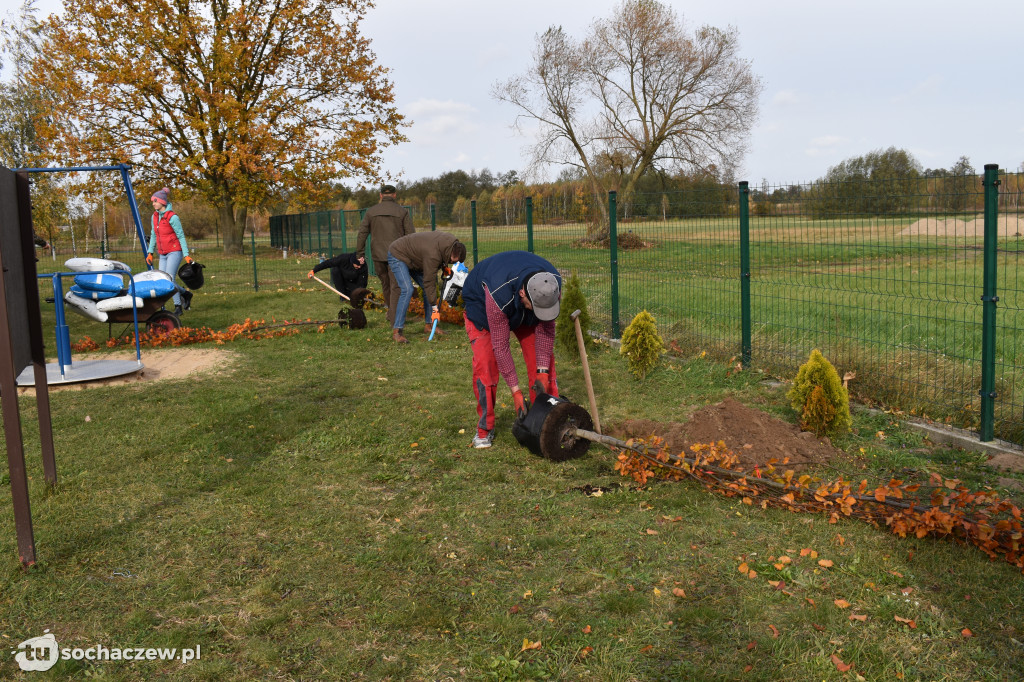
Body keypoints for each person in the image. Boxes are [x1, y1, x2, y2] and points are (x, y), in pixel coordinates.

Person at [460, 250, 562, 448]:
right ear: (523, 293)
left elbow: (546, 329)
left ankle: (546, 422)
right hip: (483, 308)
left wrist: (542, 371)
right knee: (486, 366)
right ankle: (484, 429)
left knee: (545, 368)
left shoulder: (551, 283)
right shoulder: (499, 293)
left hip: (521, 308)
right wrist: (515, 391)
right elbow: (501, 347)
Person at [386, 231, 466, 343]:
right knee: (407, 289)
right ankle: (397, 331)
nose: (452, 262)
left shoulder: (451, 244)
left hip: (414, 259)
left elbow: (443, 257)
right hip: (398, 254)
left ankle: (429, 326)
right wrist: (434, 307)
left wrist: (444, 266)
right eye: (452, 260)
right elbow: (429, 281)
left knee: (428, 289)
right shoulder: (433, 254)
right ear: (452, 252)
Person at [355, 183, 414, 328]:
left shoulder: (371, 212)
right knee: (396, 286)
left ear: (381, 195)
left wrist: (360, 254)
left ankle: (390, 312)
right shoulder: (402, 212)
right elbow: (411, 236)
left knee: (386, 284)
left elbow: (362, 233)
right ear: (394, 195)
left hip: (378, 254)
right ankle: (395, 318)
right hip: (398, 255)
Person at [145, 187, 194, 315]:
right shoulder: (154, 217)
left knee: (169, 279)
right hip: (162, 253)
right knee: (163, 280)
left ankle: (178, 307)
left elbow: (181, 236)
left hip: (174, 251)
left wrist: (186, 255)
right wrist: (150, 252)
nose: (153, 204)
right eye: (153, 201)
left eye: (155, 201)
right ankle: (185, 294)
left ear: (162, 202)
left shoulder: (172, 217)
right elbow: (153, 234)